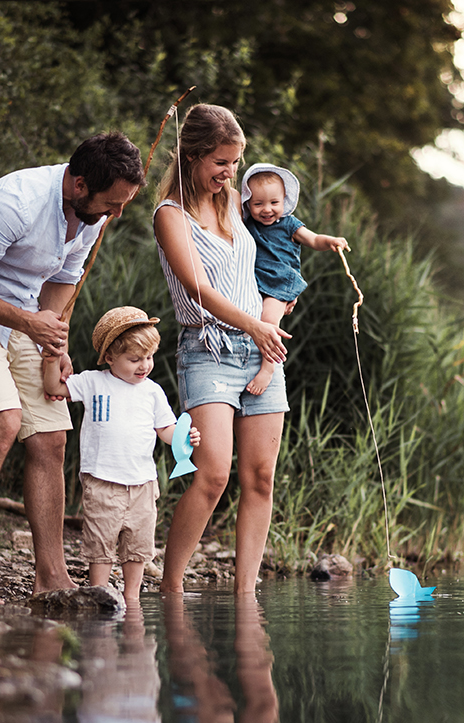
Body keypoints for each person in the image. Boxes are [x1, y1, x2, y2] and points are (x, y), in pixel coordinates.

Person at [0, 132, 144, 604]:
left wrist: (54, 339)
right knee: (4, 424)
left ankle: (51, 576)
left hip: (25, 320)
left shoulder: (92, 217)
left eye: (123, 204)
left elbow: (63, 281)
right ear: (80, 184)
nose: (116, 214)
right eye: (112, 203)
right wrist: (31, 322)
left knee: (50, 436)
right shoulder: (16, 201)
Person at [152, 103, 290, 594]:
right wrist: (255, 325)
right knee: (211, 475)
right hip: (207, 349)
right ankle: (170, 588)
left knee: (261, 477)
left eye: (234, 162)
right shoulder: (170, 215)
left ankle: (246, 595)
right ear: (192, 157)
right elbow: (198, 291)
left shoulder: (237, 200)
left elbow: (280, 261)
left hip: (260, 351)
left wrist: (272, 316)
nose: (230, 173)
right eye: (220, 163)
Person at [42, 306, 200, 606]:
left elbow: (166, 429)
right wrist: (52, 360)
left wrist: (185, 437)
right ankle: (99, 593)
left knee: (138, 546)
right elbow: (54, 387)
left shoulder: (152, 391)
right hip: (102, 481)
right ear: (110, 357)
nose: (144, 366)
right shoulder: (93, 382)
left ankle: (132, 597)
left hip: (142, 483)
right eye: (134, 359)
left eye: (149, 357)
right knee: (100, 543)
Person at [239, 163, 349, 395]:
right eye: (258, 204)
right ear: (248, 202)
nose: (267, 209)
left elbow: (313, 239)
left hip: (280, 282)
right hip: (255, 282)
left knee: (269, 321)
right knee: (251, 318)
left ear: (284, 200)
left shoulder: (289, 224)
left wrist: (330, 241)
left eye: (274, 203)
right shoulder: (247, 225)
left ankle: (268, 368)